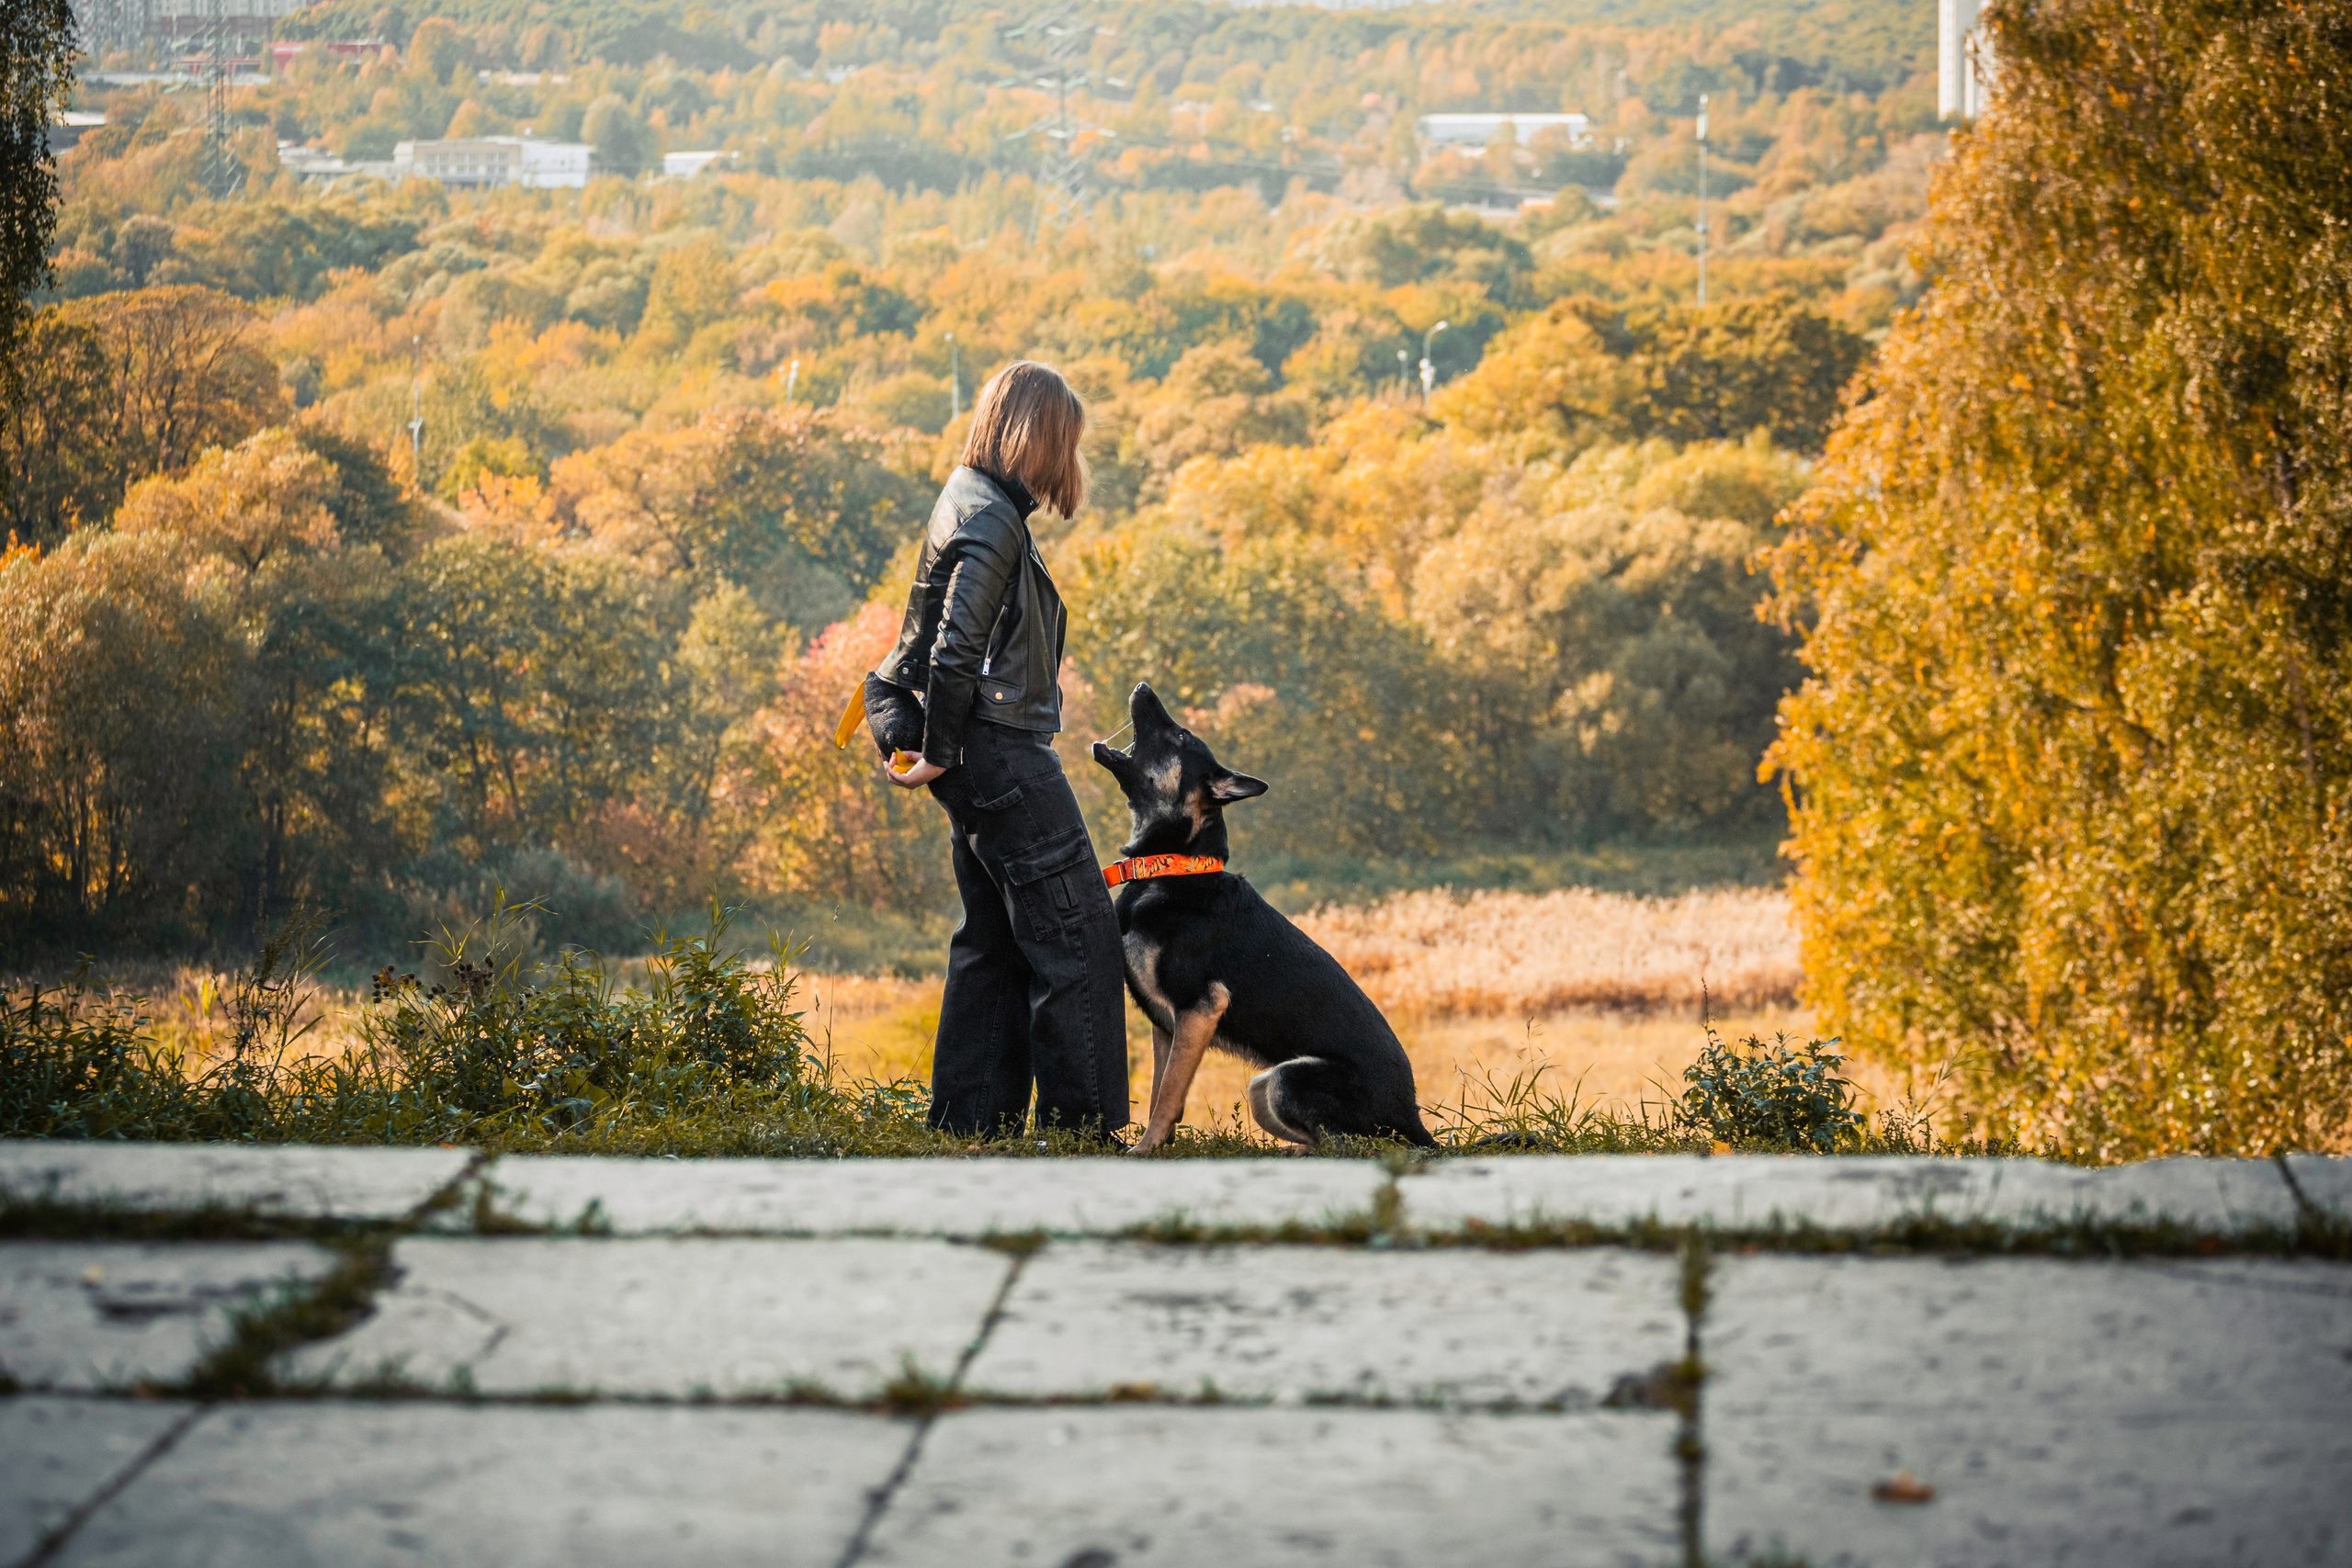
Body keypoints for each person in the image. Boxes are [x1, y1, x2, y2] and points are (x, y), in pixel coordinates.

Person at [861, 361, 1129, 1141]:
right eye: (1065, 439)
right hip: (1000, 752)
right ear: (1040, 435)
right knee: (1080, 935)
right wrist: (941, 751)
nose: (1068, 458)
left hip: (984, 750)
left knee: (994, 939)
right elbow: (954, 648)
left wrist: (946, 750)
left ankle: (971, 1123)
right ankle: (1081, 1131)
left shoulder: (971, 498)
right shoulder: (992, 520)